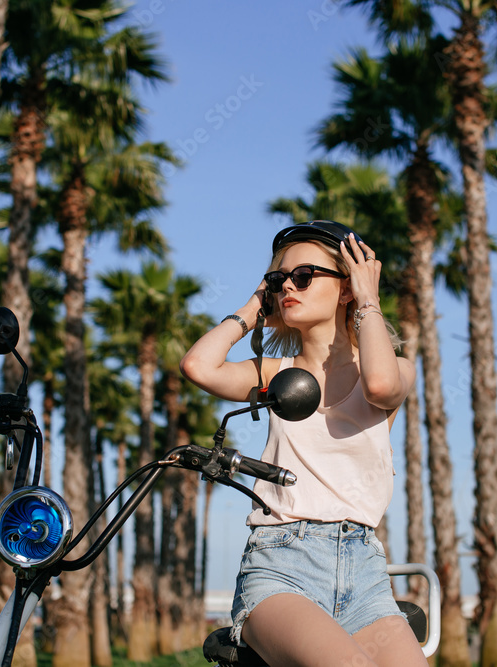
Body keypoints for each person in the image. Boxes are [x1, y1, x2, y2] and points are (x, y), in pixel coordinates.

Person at [181, 220, 425, 666]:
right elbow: (199, 366)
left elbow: (381, 385)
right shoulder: (275, 374)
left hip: (364, 570)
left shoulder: (399, 367)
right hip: (281, 564)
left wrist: (367, 297)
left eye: (304, 276)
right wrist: (254, 305)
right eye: (279, 279)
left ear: (346, 286)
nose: (288, 287)